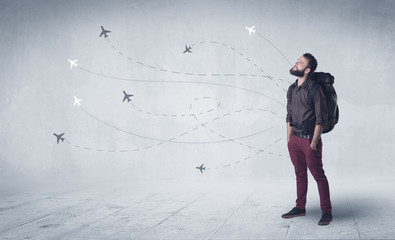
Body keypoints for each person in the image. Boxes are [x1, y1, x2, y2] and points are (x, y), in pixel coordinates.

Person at [282, 53, 333, 226]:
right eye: (297, 60)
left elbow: (321, 118)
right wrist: (289, 139)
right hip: (294, 140)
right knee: (299, 173)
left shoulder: (314, 89)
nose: (296, 63)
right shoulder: (291, 88)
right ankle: (300, 207)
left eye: (300, 62)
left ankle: (327, 212)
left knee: (319, 175)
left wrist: (313, 143)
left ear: (307, 70)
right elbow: (288, 115)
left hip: (309, 141)